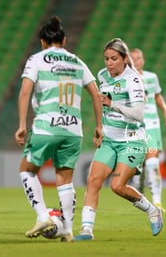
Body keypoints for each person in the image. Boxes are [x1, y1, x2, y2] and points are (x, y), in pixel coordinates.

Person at [15, 16, 103, 242]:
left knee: (27, 170)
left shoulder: (36, 59)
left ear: (42, 42)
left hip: (47, 126)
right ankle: (67, 230)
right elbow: (95, 94)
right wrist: (99, 126)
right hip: (73, 130)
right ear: (64, 40)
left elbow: (25, 92)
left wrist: (22, 125)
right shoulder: (77, 62)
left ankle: (43, 216)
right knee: (65, 180)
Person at [74, 38, 163, 241]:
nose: (109, 63)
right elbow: (100, 101)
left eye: (114, 58)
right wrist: (99, 128)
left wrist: (113, 104)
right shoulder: (102, 75)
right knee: (93, 181)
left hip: (132, 140)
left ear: (124, 59)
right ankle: (86, 230)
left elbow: (140, 114)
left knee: (117, 186)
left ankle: (152, 210)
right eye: (106, 58)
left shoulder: (134, 80)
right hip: (109, 140)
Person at [129, 48, 166, 212]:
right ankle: (140, 198)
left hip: (152, 125)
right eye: (133, 59)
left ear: (143, 60)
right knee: (137, 167)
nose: (137, 61)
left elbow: (157, 96)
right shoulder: (127, 79)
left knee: (153, 162)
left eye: (139, 58)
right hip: (135, 126)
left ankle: (157, 202)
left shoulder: (151, 77)